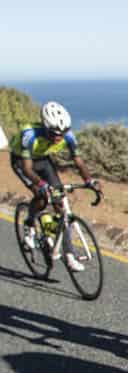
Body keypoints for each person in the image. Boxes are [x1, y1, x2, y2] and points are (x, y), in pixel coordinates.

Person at [10, 101, 98, 270]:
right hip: (22, 161)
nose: (59, 137)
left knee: (60, 203)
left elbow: (78, 162)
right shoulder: (29, 135)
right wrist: (42, 185)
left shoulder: (68, 136)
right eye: (54, 133)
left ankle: (69, 254)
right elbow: (27, 169)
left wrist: (89, 181)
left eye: (62, 133)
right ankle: (29, 223)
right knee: (42, 196)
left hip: (43, 160)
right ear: (45, 127)